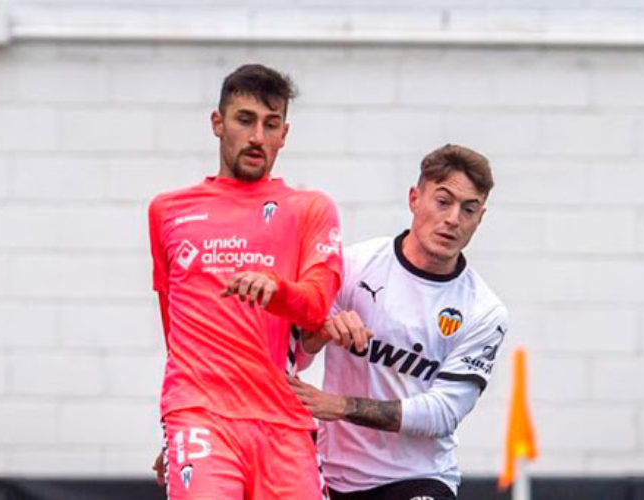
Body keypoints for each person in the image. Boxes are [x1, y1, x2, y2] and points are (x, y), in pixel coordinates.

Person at [148, 64, 343, 500]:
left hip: (282, 421)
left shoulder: (310, 209)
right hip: (200, 415)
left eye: (270, 124)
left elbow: (316, 306)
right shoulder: (167, 210)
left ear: (284, 134)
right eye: (245, 120)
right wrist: (174, 431)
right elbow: (173, 324)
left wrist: (277, 289)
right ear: (218, 124)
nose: (257, 136)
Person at [289, 144, 508, 500]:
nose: (453, 219)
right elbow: (293, 355)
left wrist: (341, 406)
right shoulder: (351, 267)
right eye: (443, 201)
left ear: (479, 218)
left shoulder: (484, 310)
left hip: (418, 478)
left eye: (468, 210)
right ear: (414, 199)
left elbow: (442, 413)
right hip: (331, 475)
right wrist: (322, 332)